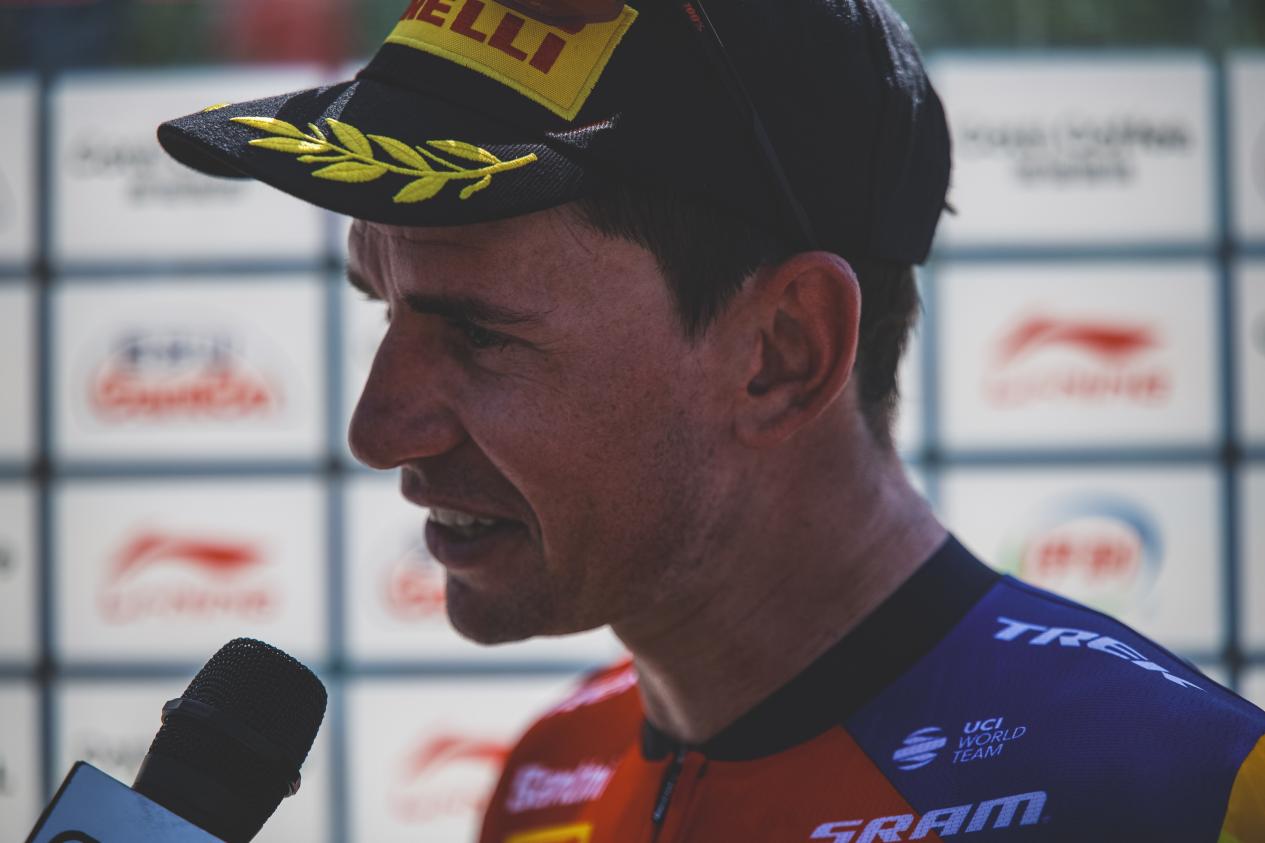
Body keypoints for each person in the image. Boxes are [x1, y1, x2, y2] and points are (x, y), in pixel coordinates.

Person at [157, 0, 1265, 839]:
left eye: (479, 333)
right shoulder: (545, 780)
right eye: (383, 308)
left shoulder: (1181, 792)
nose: (377, 427)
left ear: (782, 354)